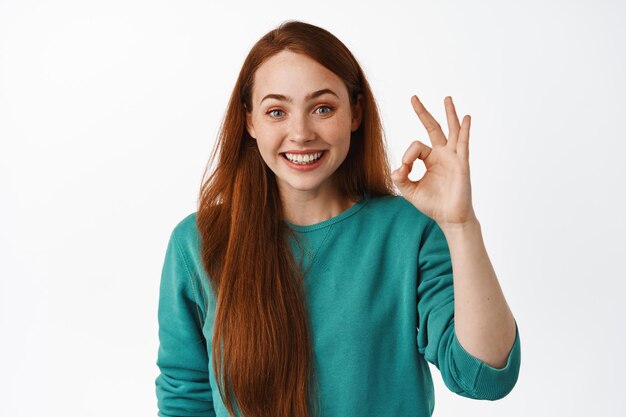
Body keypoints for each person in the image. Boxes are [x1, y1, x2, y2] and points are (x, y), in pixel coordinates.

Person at [155, 20, 521, 417]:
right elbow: (185, 400)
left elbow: (485, 376)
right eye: (277, 111)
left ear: (355, 113)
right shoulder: (198, 242)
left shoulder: (408, 231)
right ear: (249, 122)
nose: (300, 133)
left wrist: (461, 225)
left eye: (323, 108)